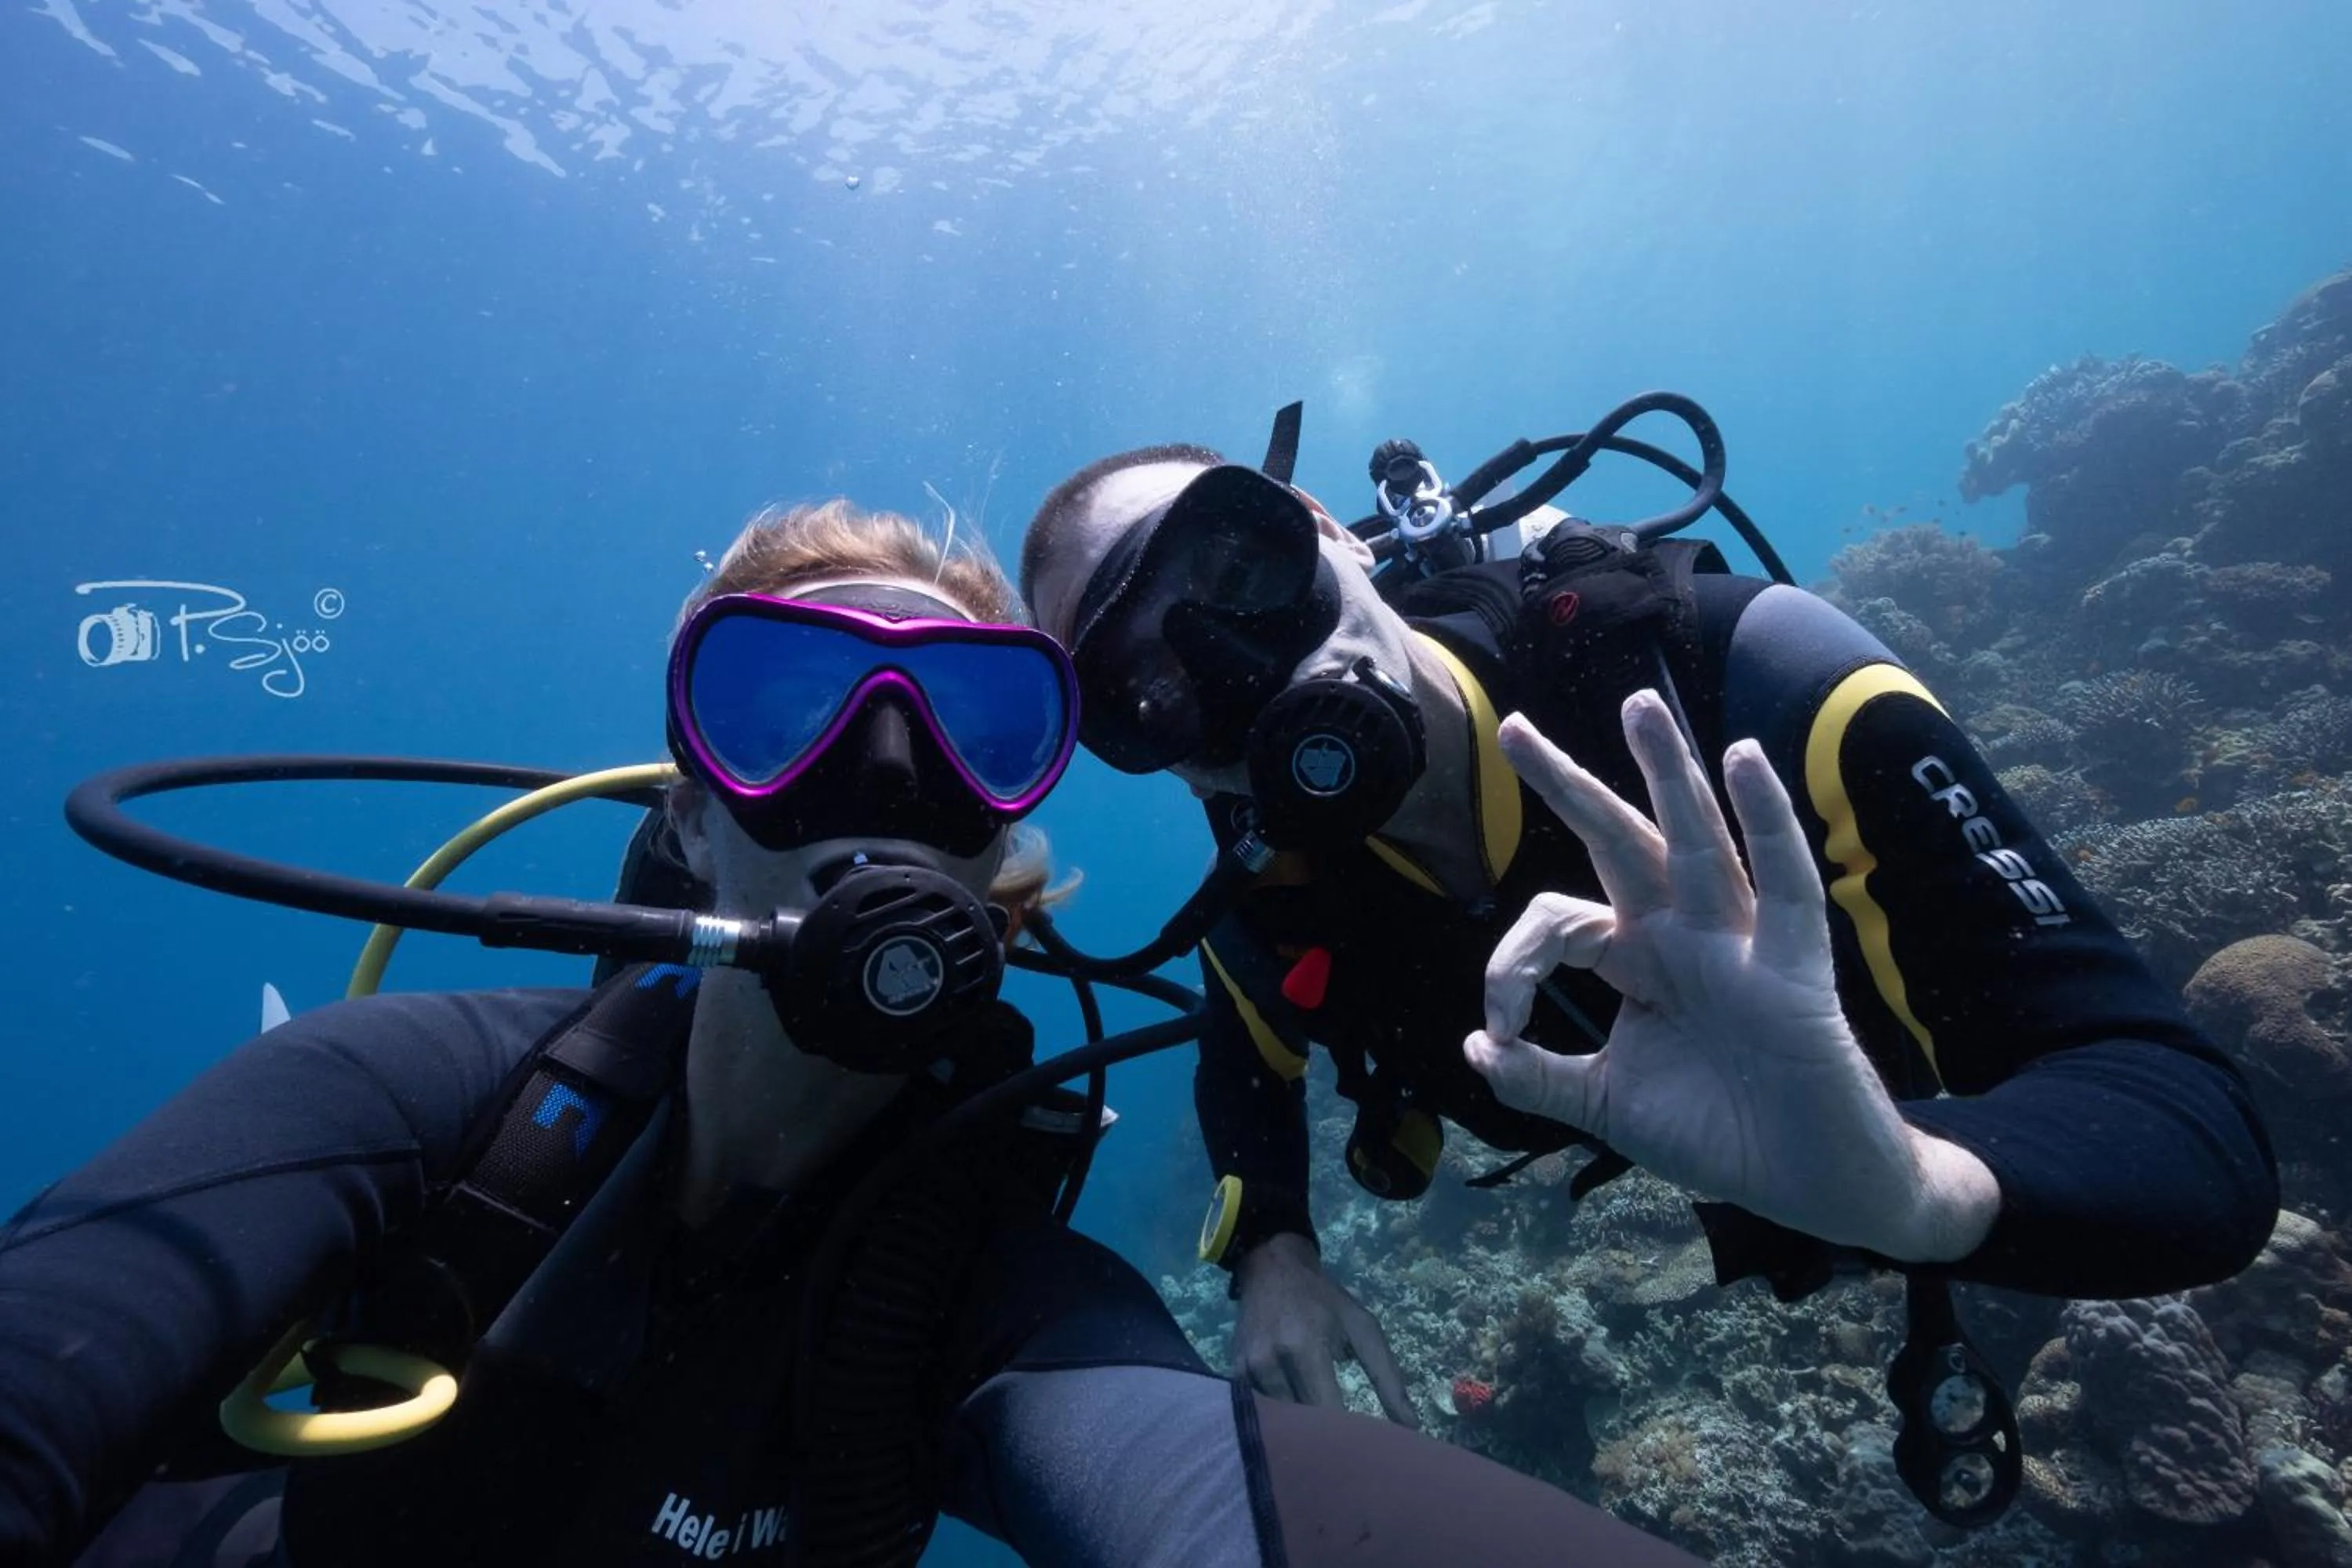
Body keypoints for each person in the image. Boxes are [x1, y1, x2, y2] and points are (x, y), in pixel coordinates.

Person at [0, 501, 1707, 1567]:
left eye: (972, 720)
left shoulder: (984, 1287)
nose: (886, 777)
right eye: (781, 704)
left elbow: (1211, 1489)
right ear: (688, 814)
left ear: (1012, 844)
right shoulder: (413, 1093)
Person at [1018, 441, 2280, 1433]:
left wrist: (1910, 1184)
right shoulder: (1273, 897)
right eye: (1145, 690)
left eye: (1240, 571)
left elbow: (2190, 1130)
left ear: (1336, 535)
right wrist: (1270, 1248)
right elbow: (1244, 1065)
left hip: (1914, 1119)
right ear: (1155, 765)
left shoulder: (1754, 683)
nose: (1238, 668)